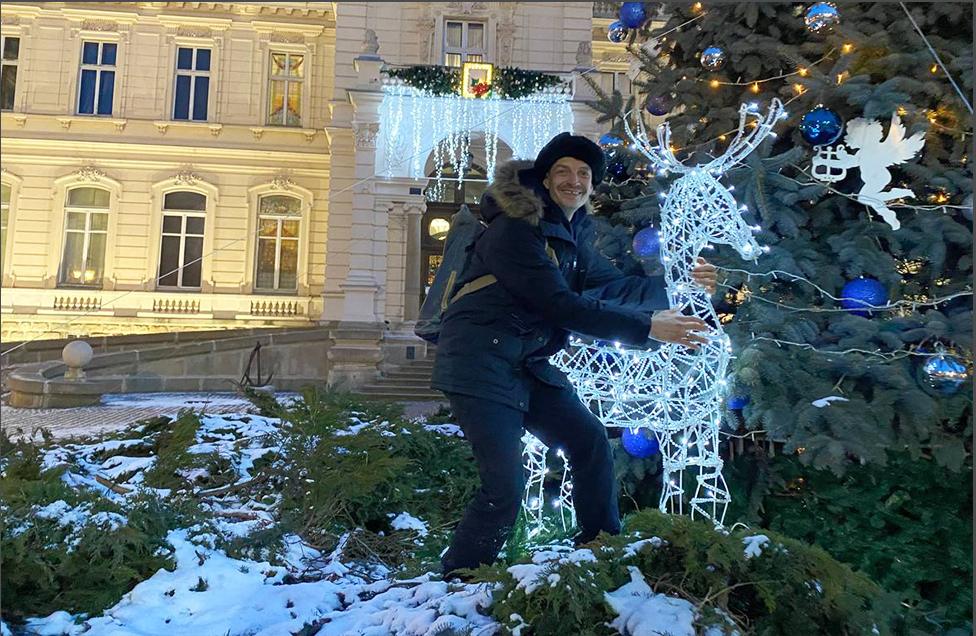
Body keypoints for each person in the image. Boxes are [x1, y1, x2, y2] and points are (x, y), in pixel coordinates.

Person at [430, 132, 718, 577]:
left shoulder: (570, 237)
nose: (574, 180)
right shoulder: (513, 230)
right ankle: (461, 579)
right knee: (504, 486)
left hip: (525, 363)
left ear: (591, 186)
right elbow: (559, 305)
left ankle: (601, 552)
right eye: (562, 171)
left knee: (589, 444)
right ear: (544, 180)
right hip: (478, 362)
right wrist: (649, 328)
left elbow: (615, 286)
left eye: (584, 173)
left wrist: (682, 286)